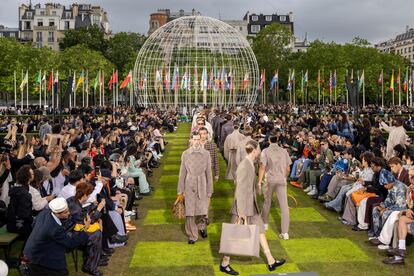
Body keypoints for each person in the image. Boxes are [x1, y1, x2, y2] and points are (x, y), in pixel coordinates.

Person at [220, 140, 285, 275]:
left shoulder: (251, 164)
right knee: (233, 235)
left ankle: (271, 260)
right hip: (242, 208)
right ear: (254, 150)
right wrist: (242, 212)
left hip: (252, 206)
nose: (260, 150)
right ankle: (224, 263)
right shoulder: (245, 165)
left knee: (260, 230)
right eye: (259, 147)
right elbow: (239, 190)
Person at [23, 197, 90, 276]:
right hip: (37, 258)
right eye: (66, 212)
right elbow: (71, 243)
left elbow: (34, 225)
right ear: (57, 213)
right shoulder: (54, 229)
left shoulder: (45, 212)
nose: (69, 213)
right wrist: (85, 228)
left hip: (33, 250)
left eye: (68, 210)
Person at [177, 131, 213, 244]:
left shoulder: (206, 154)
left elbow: (209, 173)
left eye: (198, 139)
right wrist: (180, 190)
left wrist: (210, 189)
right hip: (189, 184)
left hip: (202, 183)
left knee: (202, 211)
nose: (197, 141)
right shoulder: (185, 154)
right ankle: (192, 235)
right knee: (190, 212)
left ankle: (201, 227)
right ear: (191, 140)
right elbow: (182, 173)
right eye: (195, 139)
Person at [259, 133, 291, 239]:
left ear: (269, 140)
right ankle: (285, 233)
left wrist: (259, 181)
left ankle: (265, 224)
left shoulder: (265, 151)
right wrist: (284, 177)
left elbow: (262, 167)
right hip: (281, 180)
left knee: (267, 202)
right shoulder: (284, 151)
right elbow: (288, 169)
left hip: (270, 180)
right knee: (284, 207)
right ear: (277, 140)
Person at [7, 165, 34, 238]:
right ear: (28, 177)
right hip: (19, 226)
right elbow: (24, 214)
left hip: (12, 224)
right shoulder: (24, 193)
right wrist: (33, 220)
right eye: (32, 174)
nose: (33, 175)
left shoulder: (17, 189)